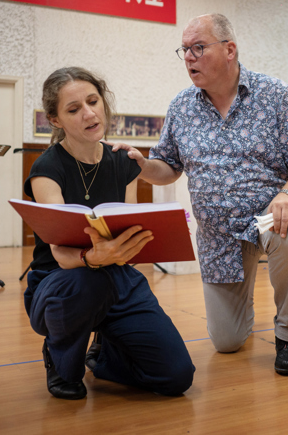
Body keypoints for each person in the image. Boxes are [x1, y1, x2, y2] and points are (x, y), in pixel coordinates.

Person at [112, 14, 288, 376]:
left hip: (270, 217)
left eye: (198, 48)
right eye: (184, 50)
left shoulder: (275, 95)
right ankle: (244, 305)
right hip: (218, 238)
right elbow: (169, 167)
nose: (189, 57)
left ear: (229, 50)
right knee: (226, 342)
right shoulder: (181, 107)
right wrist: (143, 165)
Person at [23, 67, 195, 400]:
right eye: (73, 109)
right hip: (61, 280)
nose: (88, 113)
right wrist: (91, 257)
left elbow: (125, 226)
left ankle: (103, 353)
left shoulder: (123, 161)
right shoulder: (46, 169)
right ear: (55, 120)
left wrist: (132, 245)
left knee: (177, 377)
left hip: (117, 276)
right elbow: (59, 250)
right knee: (87, 281)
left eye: (93, 101)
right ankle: (60, 359)